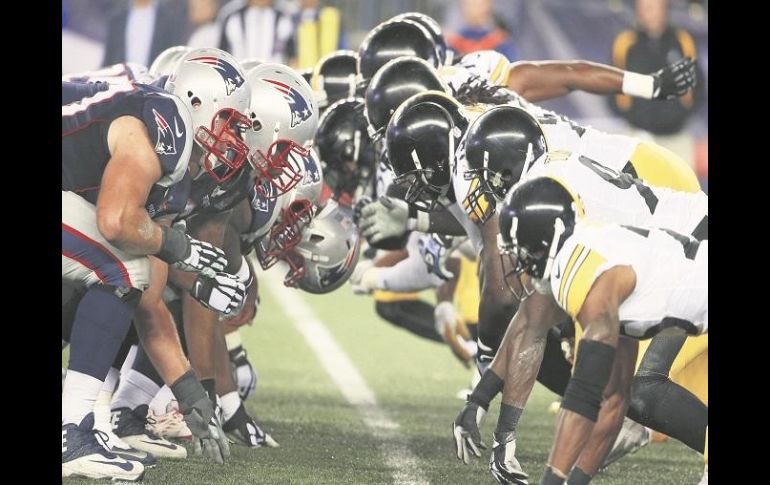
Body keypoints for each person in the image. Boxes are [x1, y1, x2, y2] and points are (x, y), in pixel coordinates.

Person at [62, 74, 244, 478]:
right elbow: (115, 223)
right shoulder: (160, 122)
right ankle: (72, 430)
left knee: (126, 276)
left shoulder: (175, 179)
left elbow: (147, 299)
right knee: (125, 266)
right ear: (195, 104)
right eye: (229, 122)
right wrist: (181, 247)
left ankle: (81, 423)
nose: (234, 140)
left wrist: (190, 392)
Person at [496, 176, 707, 484]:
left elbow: (584, 396)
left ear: (547, 241)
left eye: (525, 251)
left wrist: (551, 480)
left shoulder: (582, 275)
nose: (522, 263)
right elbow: (613, 402)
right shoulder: (593, 251)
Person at [609, 0, 706, 168]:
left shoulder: (682, 40)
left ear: (664, 8)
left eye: (652, 7)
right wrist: (633, 117)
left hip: (677, 137)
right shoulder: (624, 43)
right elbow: (612, 86)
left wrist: (680, 114)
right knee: (635, 183)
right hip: (638, 137)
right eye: (643, 8)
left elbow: (698, 84)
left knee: (683, 183)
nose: (647, 13)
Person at [102, 0, 188, 67]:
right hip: (122, 80)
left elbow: (173, 55)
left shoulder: (169, 18)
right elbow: (109, 58)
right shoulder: (117, 18)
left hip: (156, 81)